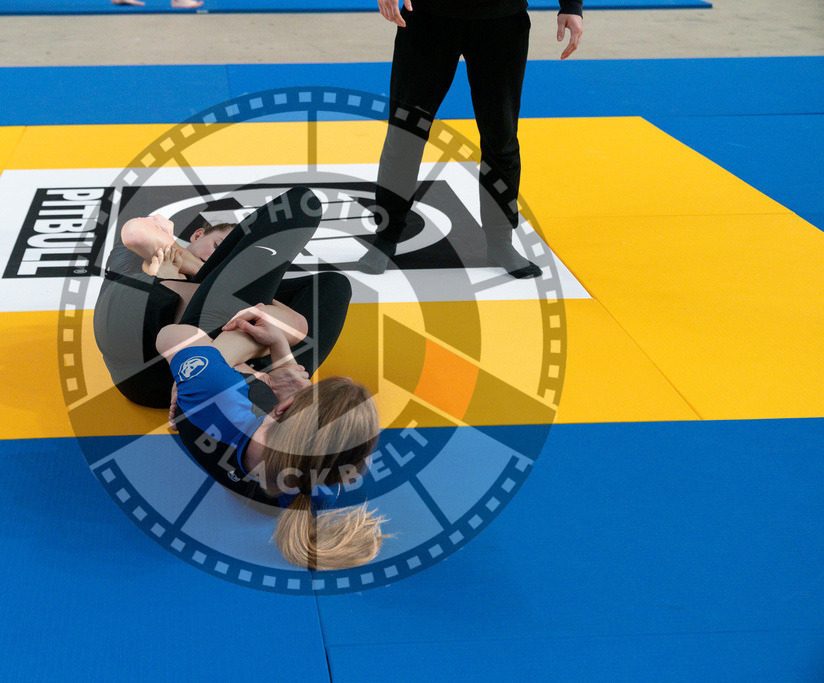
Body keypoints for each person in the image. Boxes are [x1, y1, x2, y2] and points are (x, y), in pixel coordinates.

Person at [155, 190, 387, 570]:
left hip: (210, 361)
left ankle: (200, 273)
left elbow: (171, 336)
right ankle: (215, 281)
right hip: (245, 386)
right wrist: (281, 352)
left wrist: (226, 359)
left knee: (299, 206)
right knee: (333, 287)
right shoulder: (316, 488)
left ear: (284, 407)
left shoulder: (222, 401)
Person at [358, 0, 584, 278]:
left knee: (501, 138)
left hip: (502, 18)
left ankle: (500, 242)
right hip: (426, 18)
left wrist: (571, 5)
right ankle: (387, 236)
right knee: (405, 133)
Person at [94, 189, 352, 409]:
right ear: (196, 236)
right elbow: (135, 232)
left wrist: (195, 273)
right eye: (219, 249)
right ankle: (227, 369)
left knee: (332, 285)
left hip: (176, 377)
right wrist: (189, 267)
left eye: (236, 265)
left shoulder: (205, 286)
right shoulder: (143, 256)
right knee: (301, 202)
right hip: (139, 347)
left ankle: (252, 382)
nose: (231, 269)